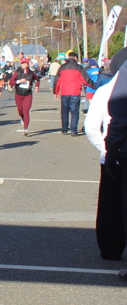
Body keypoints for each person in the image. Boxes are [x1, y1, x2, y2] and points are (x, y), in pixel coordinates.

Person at [86, 49, 127, 260]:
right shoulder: (107, 91)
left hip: (115, 153)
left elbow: (91, 127)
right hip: (115, 150)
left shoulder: (106, 91)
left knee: (111, 206)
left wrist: (106, 149)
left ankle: (111, 248)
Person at [53, 51, 94, 136]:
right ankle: (73, 131)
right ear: (75, 58)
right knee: (74, 112)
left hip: (64, 92)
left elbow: (57, 81)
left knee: (64, 112)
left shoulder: (62, 67)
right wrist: (95, 86)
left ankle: (64, 129)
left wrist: (56, 92)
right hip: (75, 92)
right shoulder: (79, 67)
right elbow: (86, 80)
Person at [9, 57, 39, 135]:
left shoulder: (31, 73)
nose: (24, 64)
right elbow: (11, 82)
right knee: (20, 110)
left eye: (25, 63)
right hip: (18, 94)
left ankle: (26, 129)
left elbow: (37, 80)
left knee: (26, 111)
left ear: (28, 64)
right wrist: (19, 81)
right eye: (22, 63)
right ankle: (22, 118)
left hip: (28, 94)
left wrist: (37, 87)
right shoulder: (17, 72)